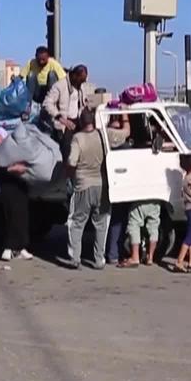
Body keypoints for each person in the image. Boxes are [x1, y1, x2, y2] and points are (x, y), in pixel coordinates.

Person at [64, 108, 110, 270]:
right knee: (101, 224)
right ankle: (99, 259)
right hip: (102, 186)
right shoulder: (103, 135)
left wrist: (69, 176)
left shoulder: (78, 139)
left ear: (81, 122)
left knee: (76, 222)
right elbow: (125, 133)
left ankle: (75, 258)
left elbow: (71, 162)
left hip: (83, 186)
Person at [43, 64, 89, 155]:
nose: (82, 83)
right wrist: (61, 118)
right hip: (64, 124)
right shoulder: (60, 86)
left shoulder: (81, 86)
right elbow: (47, 103)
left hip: (78, 121)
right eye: (81, 80)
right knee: (67, 150)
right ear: (74, 76)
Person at [104, 113, 131, 264]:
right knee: (118, 220)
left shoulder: (103, 133)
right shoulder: (117, 137)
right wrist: (126, 115)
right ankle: (113, 253)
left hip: (107, 184)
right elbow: (127, 131)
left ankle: (109, 253)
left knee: (107, 221)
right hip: (119, 187)